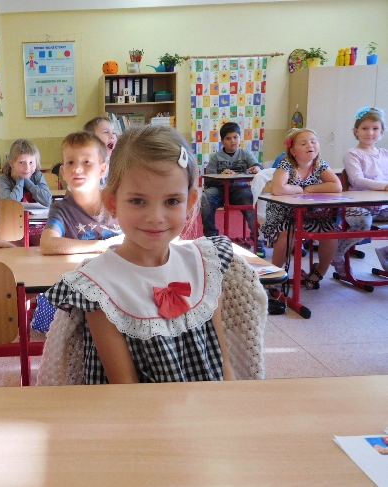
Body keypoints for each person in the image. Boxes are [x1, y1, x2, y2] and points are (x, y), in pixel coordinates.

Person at [43, 125, 236, 384]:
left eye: (172, 201)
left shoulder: (205, 263)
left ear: (190, 202)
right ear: (112, 202)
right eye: (137, 201)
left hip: (211, 405)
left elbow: (223, 365)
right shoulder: (99, 285)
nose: (155, 217)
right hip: (141, 409)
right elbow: (126, 387)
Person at [260, 128, 342, 289]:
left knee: (331, 232)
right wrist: (303, 189)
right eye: (303, 143)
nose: (310, 145)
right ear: (293, 151)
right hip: (284, 214)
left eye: (313, 142)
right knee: (289, 233)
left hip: (311, 214)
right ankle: (273, 274)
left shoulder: (319, 164)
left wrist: (309, 189)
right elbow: (278, 188)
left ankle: (319, 272)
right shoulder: (287, 164)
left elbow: (336, 186)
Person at [40, 131, 123, 255]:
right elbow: (47, 244)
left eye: (86, 162)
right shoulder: (61, 211)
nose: (77, 169)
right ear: (63, 172)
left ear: (102, 170)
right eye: (70, 162)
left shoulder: (120, 203)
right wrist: (101, 245)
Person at [331, 107, 388, 276]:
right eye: (365, 128)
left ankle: (385, 252)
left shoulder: (385, 154)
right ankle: (337, 253)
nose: (370, 133)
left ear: (382, 131)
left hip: (382, 206)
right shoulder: (352, 154)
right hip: (358, 204)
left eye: (375, 128)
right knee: (362, 223)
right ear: (356, 131)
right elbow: (357, 180)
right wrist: (385, 186)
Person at [201, 122, 265, 257]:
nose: (232, 141)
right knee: (206, 198)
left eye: (235, 137)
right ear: (222, 141)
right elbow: (208, 181)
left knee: (251, 201)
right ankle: (212, 237)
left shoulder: (245, 154)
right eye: (228, 138)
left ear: (240, 138)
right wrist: (221, 175)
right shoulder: (216, 158)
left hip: (240, 190)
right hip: (219, 190)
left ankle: (257, 238)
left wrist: (257, 168)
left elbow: (258, 166)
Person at [0, 138, 52, 207]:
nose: (27, 168)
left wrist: (28, 183)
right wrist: (20, 181)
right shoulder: (3, 180)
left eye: (31, 162)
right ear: (11, 163)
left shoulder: (37, 176)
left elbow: (48, 201)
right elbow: (9, 205)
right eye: (21, 162)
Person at [84, 116, 117, 188]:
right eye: (106, 132)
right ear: (91, 140)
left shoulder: (118, 165)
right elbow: (70, 193)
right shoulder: (83, 165)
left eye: (114, 132)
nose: (112, 136)